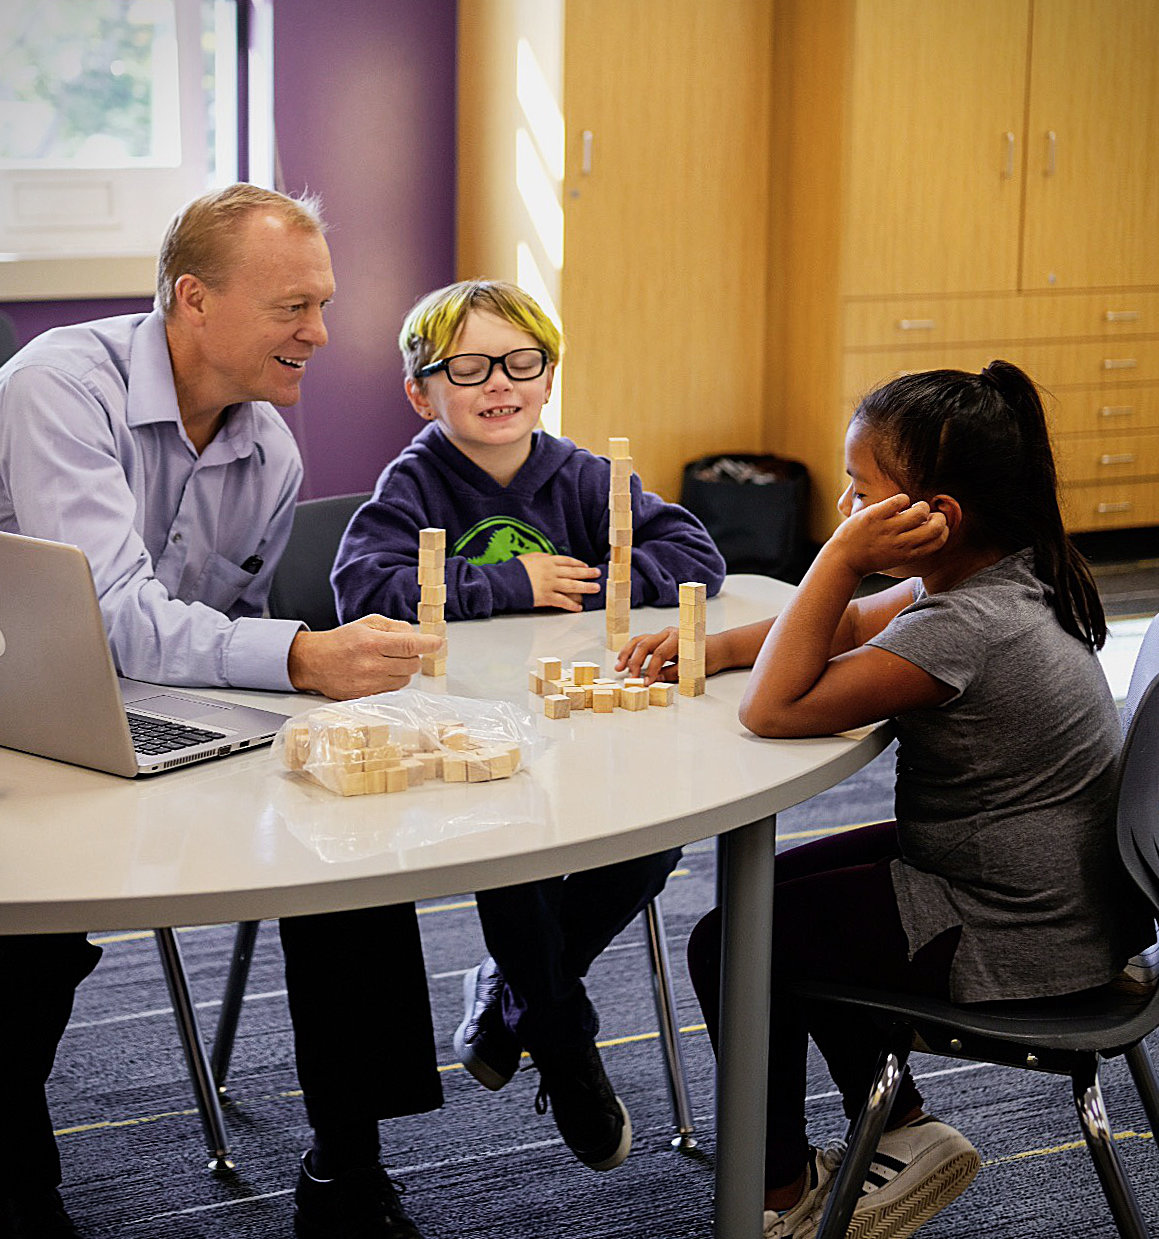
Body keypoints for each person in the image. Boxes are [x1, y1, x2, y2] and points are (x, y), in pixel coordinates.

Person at [0, 184, 446, 1239]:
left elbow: (211, 647)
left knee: (347, 841)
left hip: (149, 715)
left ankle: (348, 1163)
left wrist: (299, 696)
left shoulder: (270, 453)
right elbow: (110, 620)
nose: (321, 334)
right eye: (293, 305)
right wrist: (301, 655)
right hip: (14, 722)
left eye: (323, 304)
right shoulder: (60, 385)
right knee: (23, 941)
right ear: (193, 300)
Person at [620, 360, 1154, 1239]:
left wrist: (835, 558)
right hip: (1041, 887)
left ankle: (780, 1196)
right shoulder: (1003, 572)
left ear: (932, 517)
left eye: (857, 493)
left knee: (735, 939)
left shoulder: (962, 627)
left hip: (1016, 931)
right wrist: (711, 647)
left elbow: (776, 708)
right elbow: (857, 625)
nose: (841, 509)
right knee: (774, 898)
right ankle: (902, 1130)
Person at [331, 278, 726, 1172]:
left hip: (584, 721)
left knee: (657, 836)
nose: (497, 383)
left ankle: (510, 988)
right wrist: (508, 585)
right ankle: (556, 1031)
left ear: (547, 379)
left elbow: (695, 553)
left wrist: (593, 573)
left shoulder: (582, 475)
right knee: (513, 844)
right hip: (467, 734)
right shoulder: (416, 481)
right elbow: (363, 588)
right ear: (421, 392)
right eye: (466, 366)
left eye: (520, 362)